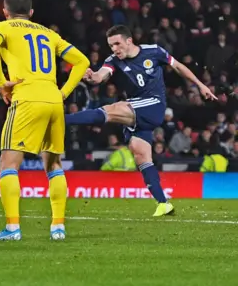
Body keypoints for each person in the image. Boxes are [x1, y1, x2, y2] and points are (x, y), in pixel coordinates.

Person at [65, 25, 217, 216]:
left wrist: (201, 85)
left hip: (154, 104)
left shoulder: (153, 51)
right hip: (137, 110)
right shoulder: (114, 60)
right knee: (140, 154)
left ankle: (61, 120)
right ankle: (163, 203)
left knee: (112, 110)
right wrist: (92, 77)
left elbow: (178, 66)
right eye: (111, 45)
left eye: (117, 44)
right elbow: (100, 76)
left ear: (129, 41)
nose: (114, 49)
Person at [0, 0, 89, 241]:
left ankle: (12, 229)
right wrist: (63, 92)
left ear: (5, 11)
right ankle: (58, 227)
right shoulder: (49, 33)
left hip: (27, 97)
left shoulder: (2, 27)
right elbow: (82, 62)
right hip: (53, 100)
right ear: (31, 13)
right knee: (53, 164)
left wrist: (1, 82)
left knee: (8, 163)